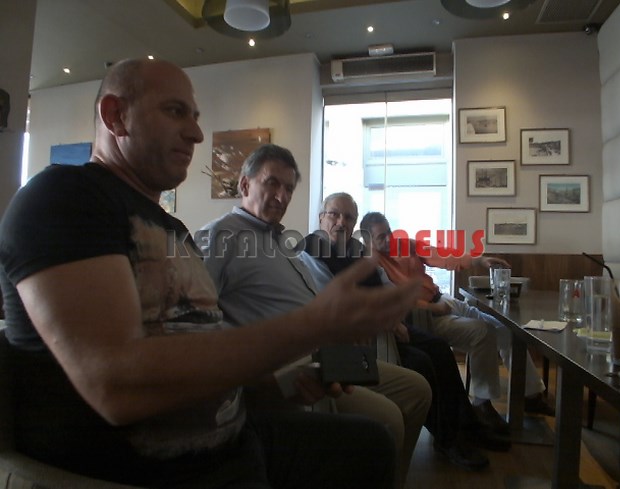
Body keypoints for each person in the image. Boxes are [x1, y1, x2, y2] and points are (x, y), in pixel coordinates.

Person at [0, 58, 424, 489]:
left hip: (234, 435)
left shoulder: (175, 231)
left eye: (196, 116)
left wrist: (280, 387)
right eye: (175, 111)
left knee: (372, 446)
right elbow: (116, 386)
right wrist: (313, 326)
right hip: (160, 469)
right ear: (115, 115)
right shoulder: (64, 198)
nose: (196, 134)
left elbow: (200, 351)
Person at [199, 144, 431, 488]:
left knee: (418, 389)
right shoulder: (220, 235)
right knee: (388, 422)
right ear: (245, 185)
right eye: (272, 183)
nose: (282, 196)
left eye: (289, 188)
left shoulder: (281, 241)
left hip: (328, 355)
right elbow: (199, 326)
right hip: (287, 369)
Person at [300, 192, 512, 472]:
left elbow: (388, 285)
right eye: (334, 215)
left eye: (348, 217)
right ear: (321, 218)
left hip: (391, 325)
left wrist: (394, 313)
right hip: (361, 336)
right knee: (422, 362)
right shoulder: (311, 251)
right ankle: (448, 439)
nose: (341, 221)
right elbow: (333, 300)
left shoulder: (359, 251)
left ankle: (467, 425)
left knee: (438, 348)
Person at [358, 211, 555, 432]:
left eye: (389, 232)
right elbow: (393, 300)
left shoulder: (404, 244)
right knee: (483, 332)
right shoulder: (371, 265)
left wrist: (479, 259)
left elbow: (442, 254)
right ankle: (482, 405)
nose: (389, 239)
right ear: (368, 240)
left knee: (504, 330)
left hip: (442, 300)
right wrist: (431, 308)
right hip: (422, 316)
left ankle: (530, 395)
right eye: (381, 237)